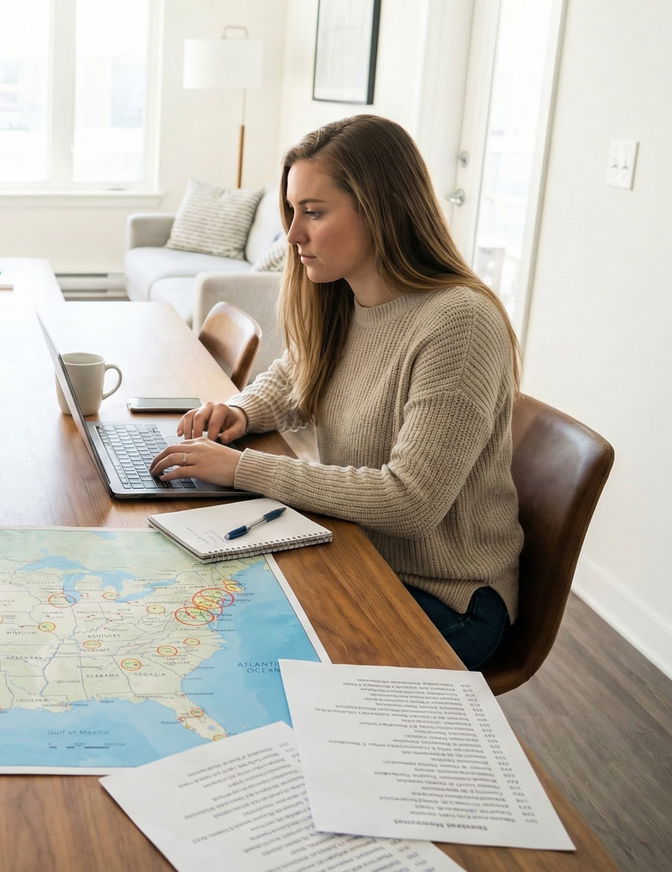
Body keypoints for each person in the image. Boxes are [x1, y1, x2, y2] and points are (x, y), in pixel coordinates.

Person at [150, 114, 524, 670]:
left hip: (443, 597)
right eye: (292, 211)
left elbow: (410, 502)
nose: (293, 235)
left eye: (314, 212)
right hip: (353, 550)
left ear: (381, 209)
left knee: (227, 653)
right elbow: (291, 377)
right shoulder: (346, 295)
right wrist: (238, 411)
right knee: (189, 611)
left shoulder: (458, 322)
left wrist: (242, 468)